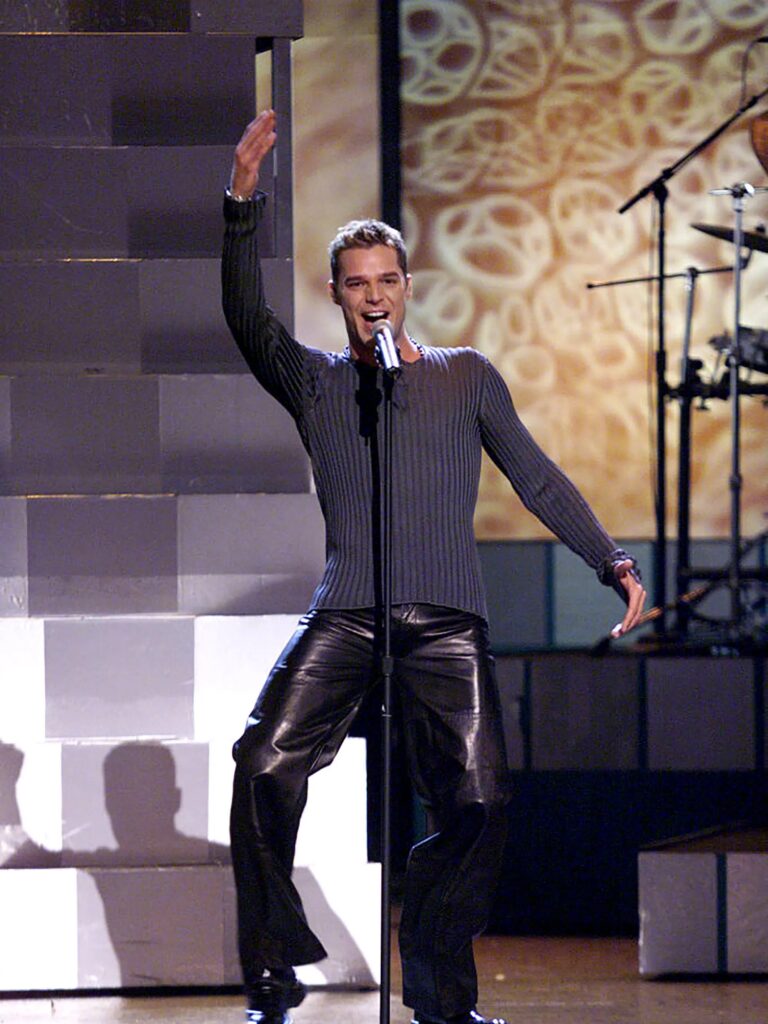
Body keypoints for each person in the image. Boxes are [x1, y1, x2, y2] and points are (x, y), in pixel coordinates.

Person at [222, 110, 646, 1024]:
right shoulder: (316, 381)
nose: (373, 296)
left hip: (446, 619)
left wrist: (608, 558)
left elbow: (534, 473)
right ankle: (273, 973)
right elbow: (245, 319)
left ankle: (440, 994)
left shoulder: (465, 376)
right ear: (336, 294)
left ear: (408, 287)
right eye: (356, 283)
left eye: (387, 280)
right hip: (348, 612)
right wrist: (242, 206)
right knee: (261, 764)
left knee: (480, 801)